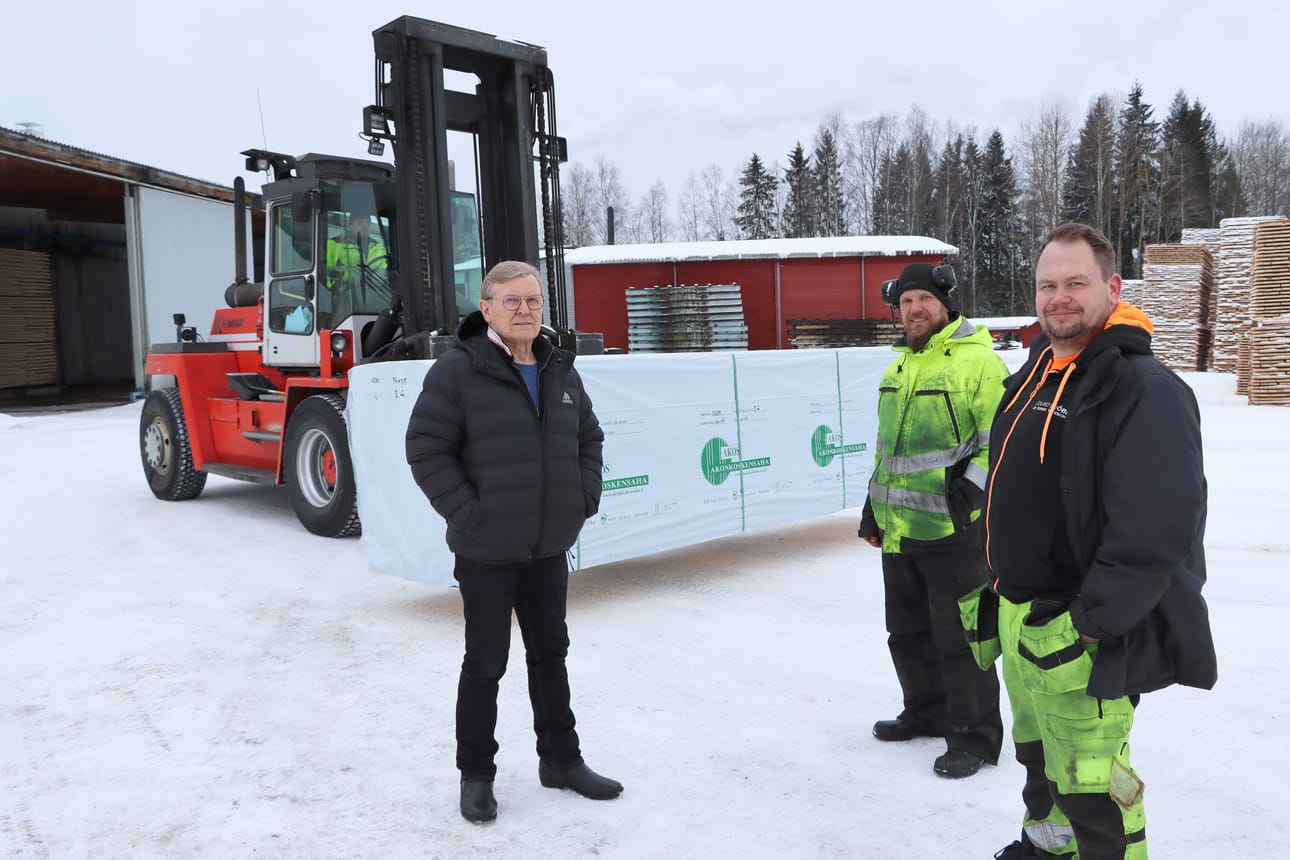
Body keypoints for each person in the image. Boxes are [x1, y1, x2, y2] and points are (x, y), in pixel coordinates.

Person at [978, 224, 1216, 859]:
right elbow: (1008, 487)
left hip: (1077, 635)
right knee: (1040, 763)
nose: (1059, 297)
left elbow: (1156, 531)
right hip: (1023, 623)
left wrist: (1088, 626)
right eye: (1047, 285)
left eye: (1075, 283)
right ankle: (1048, 849)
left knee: (1094, 789)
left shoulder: (1143, 389)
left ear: (1112, 288)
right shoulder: (1036, 373)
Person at [405, 260, 621, 824]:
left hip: (548, 546)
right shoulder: (456, 372)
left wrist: (583, 496)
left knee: (551, 655)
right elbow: (426, 450)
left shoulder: (558, 369)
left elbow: (589, 438)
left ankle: (561, 760)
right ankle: (476, 776)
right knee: (485, 663)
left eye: (532, 301)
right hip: (486, 551)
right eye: (512, 302)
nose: (524, 310)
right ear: (488, 309)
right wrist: (470, 514)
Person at [858, 262, 1006, 779]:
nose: (914, 309)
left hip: (955, 528)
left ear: (944, 301)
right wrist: (872, 507)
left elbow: (998, 441)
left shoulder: (979, 362)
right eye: (904, 302)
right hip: (901, 528)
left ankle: (975, 736)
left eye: (922, 298)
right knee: (908, 632)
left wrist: (971, 495)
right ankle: (924, 713)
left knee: (963, 638)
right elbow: (888, 449)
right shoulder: (897, 366)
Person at [324, 213, 386, 324]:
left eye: (367, 222)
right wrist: (334, 289)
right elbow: (325, 274)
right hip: (344, 298)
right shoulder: (334, 244)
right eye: (360, 222)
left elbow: (384, 274)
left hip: (376, 298)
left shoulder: (379, 247)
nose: (365, 225)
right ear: (350, 225)